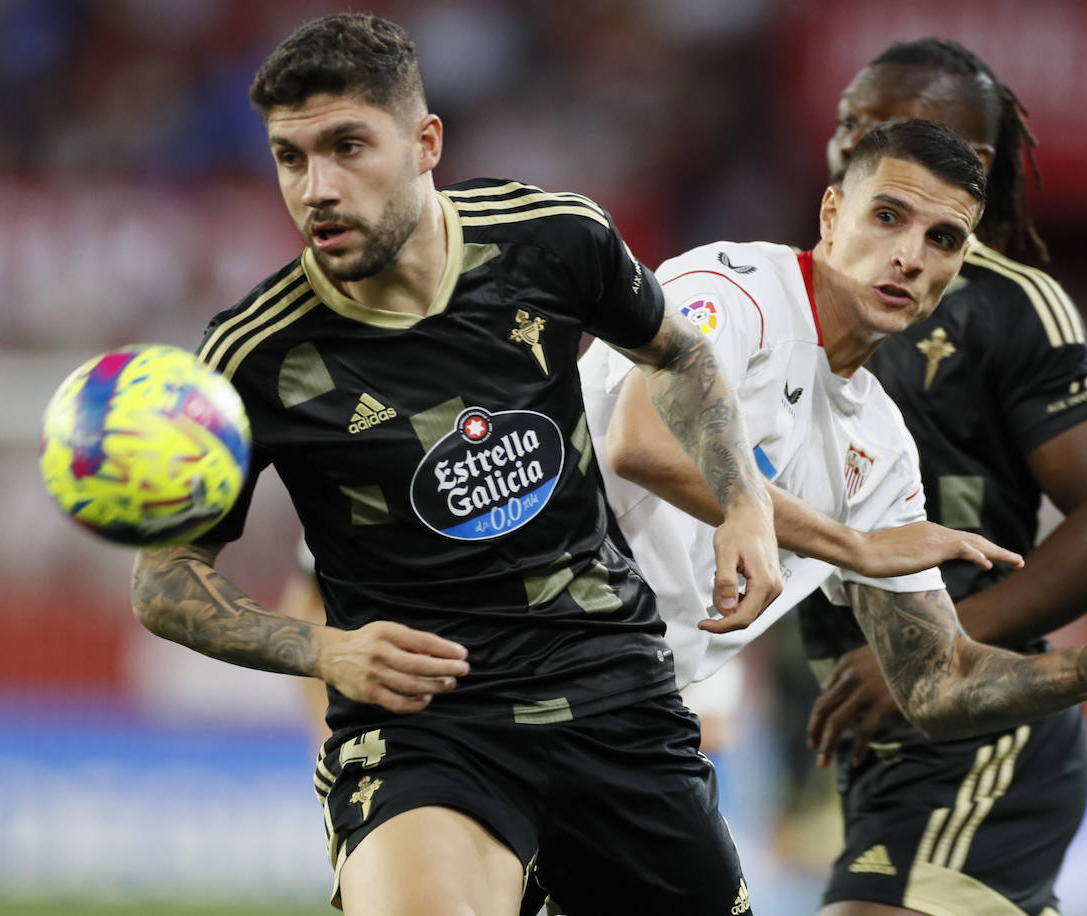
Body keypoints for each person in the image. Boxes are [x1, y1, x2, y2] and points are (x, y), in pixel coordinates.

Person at [129, 14, 785, 916]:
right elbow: (164, 579)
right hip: (426, 728)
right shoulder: (251, 358)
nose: (316, 188)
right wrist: (324, 650)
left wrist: (743, 506)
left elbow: (682, 356)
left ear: (425, 142)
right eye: (290, 158)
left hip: (607, 687)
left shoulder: (554, 241)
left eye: (347, 146)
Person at [798, 39, 1087, 916]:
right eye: (849, 123)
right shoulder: (779, 293)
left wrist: (936, 650)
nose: (855, 143)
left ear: (978, 165)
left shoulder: (1010, 307)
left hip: (980, 730)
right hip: (869, 738)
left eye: (890, 126)